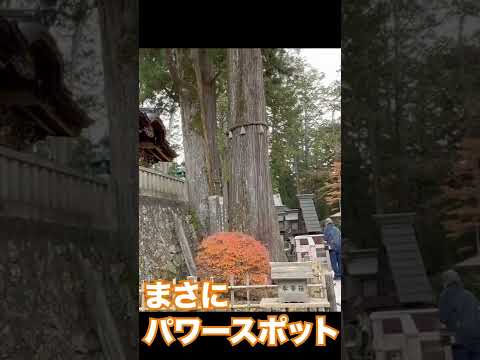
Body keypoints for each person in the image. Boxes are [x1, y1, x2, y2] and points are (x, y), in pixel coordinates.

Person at [439, 270, 480, 360]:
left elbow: (443, 318)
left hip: (460, 338)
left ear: (445, 281)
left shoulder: (445, 295)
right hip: (477, 337)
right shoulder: (470, 294)